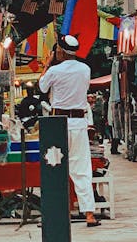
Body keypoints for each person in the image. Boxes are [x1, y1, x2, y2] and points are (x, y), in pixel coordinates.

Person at [39, 33, 99, 228]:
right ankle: (89, 214)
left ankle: (56, 212)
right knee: (81, 168)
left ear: (60, 52)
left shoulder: (54, 71)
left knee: (55, 167)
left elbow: (42, 87)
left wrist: (48, 64)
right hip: (79, 123)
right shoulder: (85, 69)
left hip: (58, 123)